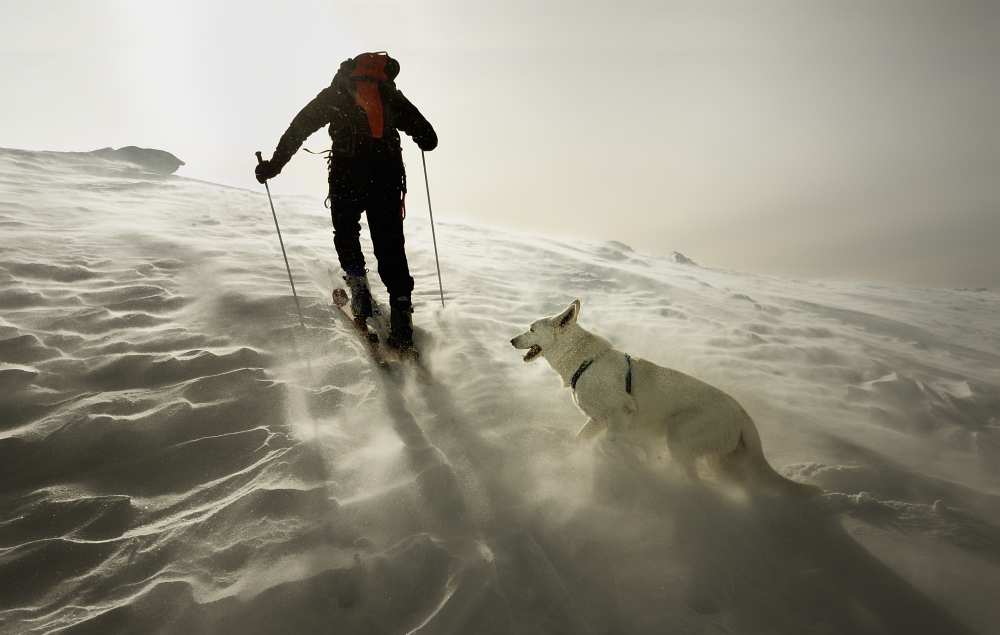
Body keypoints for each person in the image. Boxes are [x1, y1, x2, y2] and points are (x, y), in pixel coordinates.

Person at [255, 51, 437, 350]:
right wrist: (416, 136)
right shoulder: (390, 95)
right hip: (387, 181)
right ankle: (402, 313)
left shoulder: (335, 94)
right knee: (390, 244)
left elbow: (297, 129)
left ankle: (359, 291)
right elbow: (429, 138)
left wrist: (273, 166)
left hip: (346, 178)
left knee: (347, 233)